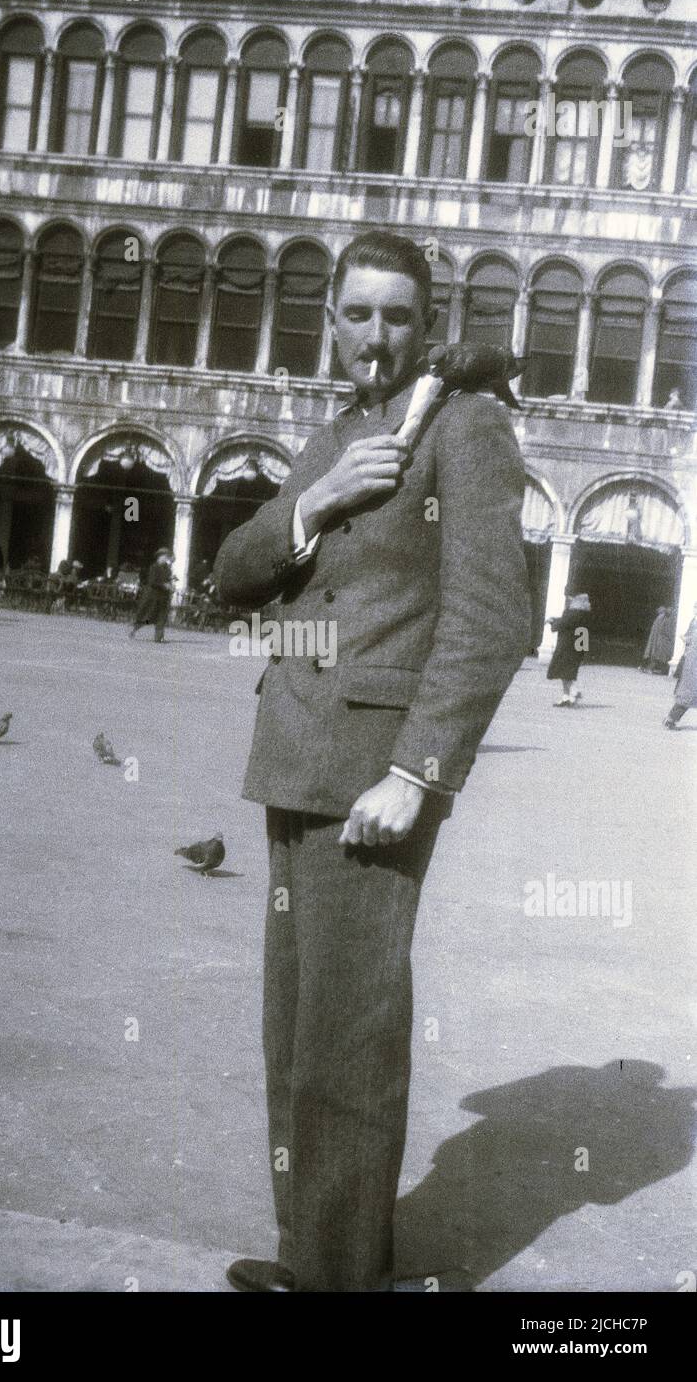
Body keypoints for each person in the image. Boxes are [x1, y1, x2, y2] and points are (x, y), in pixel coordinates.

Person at [213, 230, 531, 1293]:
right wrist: (316, 500)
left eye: (399, 316)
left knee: (350, 1041)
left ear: (424, 323)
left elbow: (491, 620)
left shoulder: (468, 430)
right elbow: (233, 577)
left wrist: (419, 772)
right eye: (359, 313)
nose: (376, 336)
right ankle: (318, 1255)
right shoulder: (340, 433)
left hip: (374, 780)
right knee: (296, 1037)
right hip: (294, 763)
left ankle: (343, 1283)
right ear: (333, 320)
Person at [546, 592, 591, 706]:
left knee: (563, 671)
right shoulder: (585, 615)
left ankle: (573, 691)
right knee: (568, 672)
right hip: (578, 647)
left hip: (566, 647)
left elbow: (562, 624)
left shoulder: (571, 613)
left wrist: (552, 622)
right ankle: (566, 697)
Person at [129, 548, 175, 643]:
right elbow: (152, 581)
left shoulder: (168, 569)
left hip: (163, 597)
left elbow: (170, 579)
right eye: (165, 557)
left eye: (167, 557)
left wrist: (172, 585)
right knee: (147, 617)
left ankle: (159, 638)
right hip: (153, 597)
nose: (167, 559)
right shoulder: (154, 567)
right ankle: (135, 629)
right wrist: (164, 585)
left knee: (161, 617)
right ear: (159, 557)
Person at [664, 606, 697, 729]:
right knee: (688, 696)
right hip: (694, 668)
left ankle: (670, 719)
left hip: (691, 666)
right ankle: (670, 719)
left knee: (687, 696)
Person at [641, 606, 675, 674]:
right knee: (659, 656)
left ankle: (654, 669)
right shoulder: (664, 619)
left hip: (658, 641)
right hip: (662, 641)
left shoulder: (661, 618)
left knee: (657, 656)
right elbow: (667, 631)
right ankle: (651, 669)